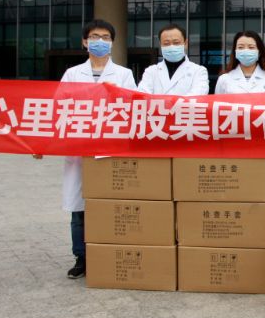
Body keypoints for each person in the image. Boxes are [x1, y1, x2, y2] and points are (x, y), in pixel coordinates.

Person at [58, 19, 136, 279]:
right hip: (80, 148)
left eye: (105, 37)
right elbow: (58, 107)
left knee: (110, 205)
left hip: (111, 147)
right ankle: (81, 257)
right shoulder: (72, 74)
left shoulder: (124, 74)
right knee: (79, 209)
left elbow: (134, 108)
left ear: (112, 43)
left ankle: (108, 252)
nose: (99, 42)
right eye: (94, 37)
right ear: (84, 42)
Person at [138, 24, 209, 96]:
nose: (171, 46)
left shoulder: (199, 71)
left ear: (185, 43)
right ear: (160, 45)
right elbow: (142, 96)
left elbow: (197, 96)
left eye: (176, 43)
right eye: (166, 43)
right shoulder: (151, 71)